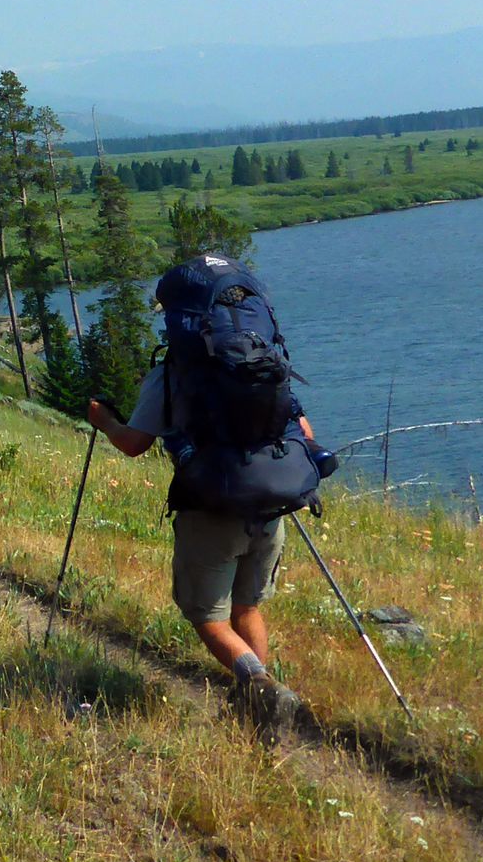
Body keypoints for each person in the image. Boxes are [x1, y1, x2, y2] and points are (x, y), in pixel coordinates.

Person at [86, 254, 329, 738]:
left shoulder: (174, 373)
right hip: (271, 505)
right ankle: (258, 710)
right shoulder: (267, 358)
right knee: (248, 608)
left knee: (207, 616)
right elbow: (303, 429)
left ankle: (258, 686)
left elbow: (135, 444)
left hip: (212, 506)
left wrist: (103, 419)